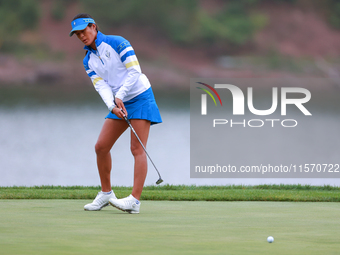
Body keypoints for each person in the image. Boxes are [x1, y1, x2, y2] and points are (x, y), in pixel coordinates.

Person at [69, 13, 162, 214]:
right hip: (119, 103)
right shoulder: (88, 61)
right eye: (77, 35)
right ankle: (106, 193)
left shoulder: (118, 43)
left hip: (140, 96)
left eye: (83, 31)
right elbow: (101, 86)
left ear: (93, 27)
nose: (82, 37)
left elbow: (135, 71)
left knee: (137, 149)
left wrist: (119, 95)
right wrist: (112, 106)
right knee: (101, 146)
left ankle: (134, 201)